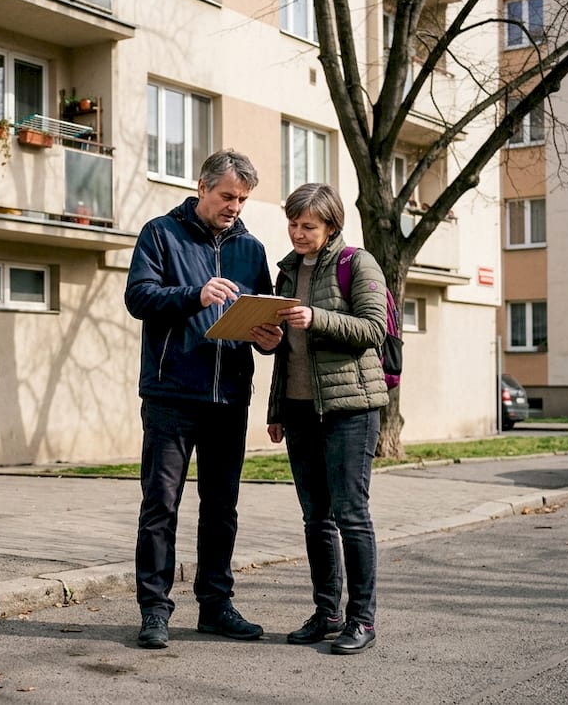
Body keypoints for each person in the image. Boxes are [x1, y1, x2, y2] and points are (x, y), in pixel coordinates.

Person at [124, 149, 283, 649]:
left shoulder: (252, 250)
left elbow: (262, 314)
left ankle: (215, 606)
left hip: (229, 398)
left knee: (221, 507)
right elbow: (138, 297)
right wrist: (194, 294)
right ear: (202, 188)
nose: (234, 205)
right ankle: (154, 611)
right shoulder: (160, 233)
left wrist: (267, 337)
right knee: (161, 505)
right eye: (226, 196)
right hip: (172, 393)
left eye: (242, 198)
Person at [266, 182, 388, 655]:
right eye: (293, 224)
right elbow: (285, 352)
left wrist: (317, 318)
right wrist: (276, 409)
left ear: (331, 225)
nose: (298, 232)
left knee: (351, 516)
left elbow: (373, 330)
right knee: (315, 518)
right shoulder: (287, 270)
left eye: (308, 226)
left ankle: (362, 620)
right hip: (298, 411)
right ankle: (327, 612)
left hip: (350, 410)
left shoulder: (357, 264)